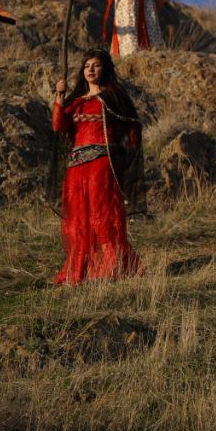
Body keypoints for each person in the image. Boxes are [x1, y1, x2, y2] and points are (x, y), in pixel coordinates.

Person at [52, 49, 143, 283]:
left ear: (105, 69)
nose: (91, 70)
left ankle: (113, 267)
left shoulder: (114, 96)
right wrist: (59, 97)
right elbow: (58, 125)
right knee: (78, 221)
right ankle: (81, 270)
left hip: (102, 165)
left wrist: (122, 156)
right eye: (87, 66)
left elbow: (133, 127)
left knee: (102, 216)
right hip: (76, 168)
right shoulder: (76, 102)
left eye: (96, 65)